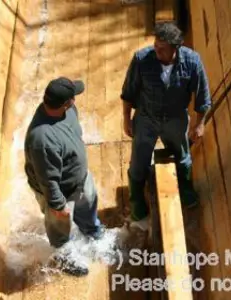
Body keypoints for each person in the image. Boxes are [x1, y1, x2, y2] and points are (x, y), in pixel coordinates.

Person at [120, 22, 211, 231]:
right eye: (155, 45)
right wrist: (126, 119)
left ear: (175, 48)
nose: (156, 49)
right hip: (146, 119)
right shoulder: (141, 59)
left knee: (183, 156)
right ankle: (137, 203)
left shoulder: (193, 62)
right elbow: (128, 92)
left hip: (175, 118)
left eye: (161, 47)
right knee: (138, 163)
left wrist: (200, 124)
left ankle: (186, 188)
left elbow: (203, 96)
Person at [24, 77, 105, 277]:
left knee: (89, 209)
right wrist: (58, 207)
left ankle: (93, 233)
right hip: (60, 193)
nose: (75, 100)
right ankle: (64, 255)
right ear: (65, 103)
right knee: (60, 231)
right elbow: (48, 181)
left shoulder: (67, 112)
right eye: (73, 98)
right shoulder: (42, 139)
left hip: (79, 179)